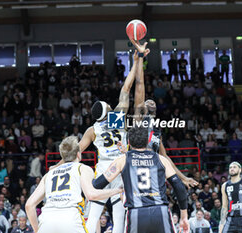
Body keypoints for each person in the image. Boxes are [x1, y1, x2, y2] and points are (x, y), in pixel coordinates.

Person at [53, 46, 146, 233]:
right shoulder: (117, 117)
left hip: (103, 169)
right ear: (108, 111)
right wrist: (136, 62)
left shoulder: (92, 129)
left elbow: (74, 152)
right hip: (120, 167)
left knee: (93, 213)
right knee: (119, 216)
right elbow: (126, 88)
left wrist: (57, 165)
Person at [92, 126, 190, 233]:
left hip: (136, 212)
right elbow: (179, 187)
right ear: (148, 140)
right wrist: (184, 216)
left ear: (128, 141)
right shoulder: (161, 159)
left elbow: (98, 184)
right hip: (160, 211)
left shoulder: (122, 160)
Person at [131, 39, 197, 189]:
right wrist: (141, 57)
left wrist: (183, 177)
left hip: (153, 174)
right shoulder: (139, 118)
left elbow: (165, 158)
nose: (150, 102)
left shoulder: (156, 130)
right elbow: (140, 83)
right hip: (135, 170)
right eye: (147, 102)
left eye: (151, 101)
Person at [25, 136, 123, 233]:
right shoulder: (82, 168)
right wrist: (117, 190)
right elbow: (91, 195)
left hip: (47, 221)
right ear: (78, 154)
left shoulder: (48, 174)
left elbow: (29, 205)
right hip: (70, 218)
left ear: (63, 156)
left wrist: (37, 230)